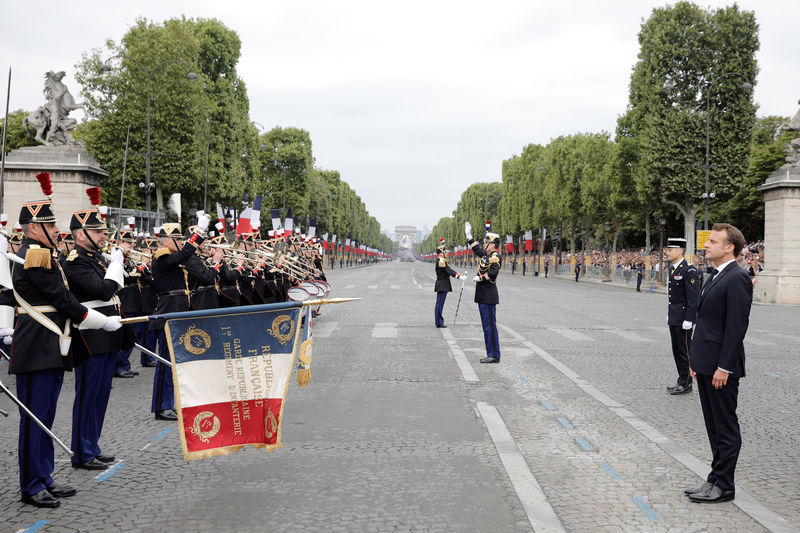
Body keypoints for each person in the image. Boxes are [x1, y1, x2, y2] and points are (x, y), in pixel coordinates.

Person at [10, 194, 120, 507]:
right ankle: (32, 485)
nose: (58, 229)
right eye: (50, 224)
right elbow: (62, 300)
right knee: (36, 417)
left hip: (49, 343)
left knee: (46, 415)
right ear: (33, 228)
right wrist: (96, 319)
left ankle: (43, 476)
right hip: (38, 344)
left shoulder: (42, 253)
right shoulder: (35, 255)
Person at [684, 223, 752, 503]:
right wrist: (696, 362)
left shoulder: (737, 277)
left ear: (729, 248)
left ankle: (725, 485)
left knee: (725, 427)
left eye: (713, 241)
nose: (706, 245)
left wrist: (724, 367)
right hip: (706, 363)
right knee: (713, 426)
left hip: (722, 368)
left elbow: (736, 327)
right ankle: (714, 478)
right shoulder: (714, 275)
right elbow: (707, 323)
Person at [62, 206, 131, 470]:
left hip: (109, 333)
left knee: (101, 394)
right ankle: (82, 452)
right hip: (91, 335)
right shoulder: (76, 261)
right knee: (88, 395)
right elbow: (103, 291)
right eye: (97, 231)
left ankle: (92, 444)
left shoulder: (95, 258)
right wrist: (115, 263)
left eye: (102, 230)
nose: (103, 235)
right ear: (81, 235)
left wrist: (112, 262)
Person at [149, 217, 210, 421]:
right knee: (166, 362)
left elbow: (195, 268)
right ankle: (161, 406)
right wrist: (198, 232)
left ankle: (169, 403)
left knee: (174, 362)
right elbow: (185, 253)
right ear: (165, 240)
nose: (180, 242)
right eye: (176, 239)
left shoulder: (174, 258)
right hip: (168, 311)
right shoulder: (162, 257)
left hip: (178, 310)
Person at [664, 238, 701, 396]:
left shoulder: (688, 270)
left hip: (684, 319)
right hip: (675, 316)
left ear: (680, 251)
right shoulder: (673, 268)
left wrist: (689, 319)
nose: (667, 252)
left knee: (685, 352)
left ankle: (686, 383)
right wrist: (670, 314)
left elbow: (694, 299)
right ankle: (681, 379)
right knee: (676, 350)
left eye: (671, 249)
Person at [465, 222, 501, 363]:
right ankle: (490, 353)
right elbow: (477, 249)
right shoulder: (486, 255)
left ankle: (494, 355)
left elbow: (493, 273)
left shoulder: (495, 256)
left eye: (487, 242)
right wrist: (469, 236)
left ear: (492, 245)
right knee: (486, 326)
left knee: (490, 326)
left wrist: (481, 278)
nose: (484, 244)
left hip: (489, 296)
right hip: (482, 296)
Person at [433, 241, 462, 328]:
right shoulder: (441, 261)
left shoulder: (441, 260)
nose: (446, 253)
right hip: (442, 284)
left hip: (442, 284)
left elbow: (447, 269)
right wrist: (458, 276)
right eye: (444, 252)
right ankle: (438, 322)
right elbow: (448, 270)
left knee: (440, 303)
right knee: (440, 304)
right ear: (441, 253)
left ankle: (438, 321)